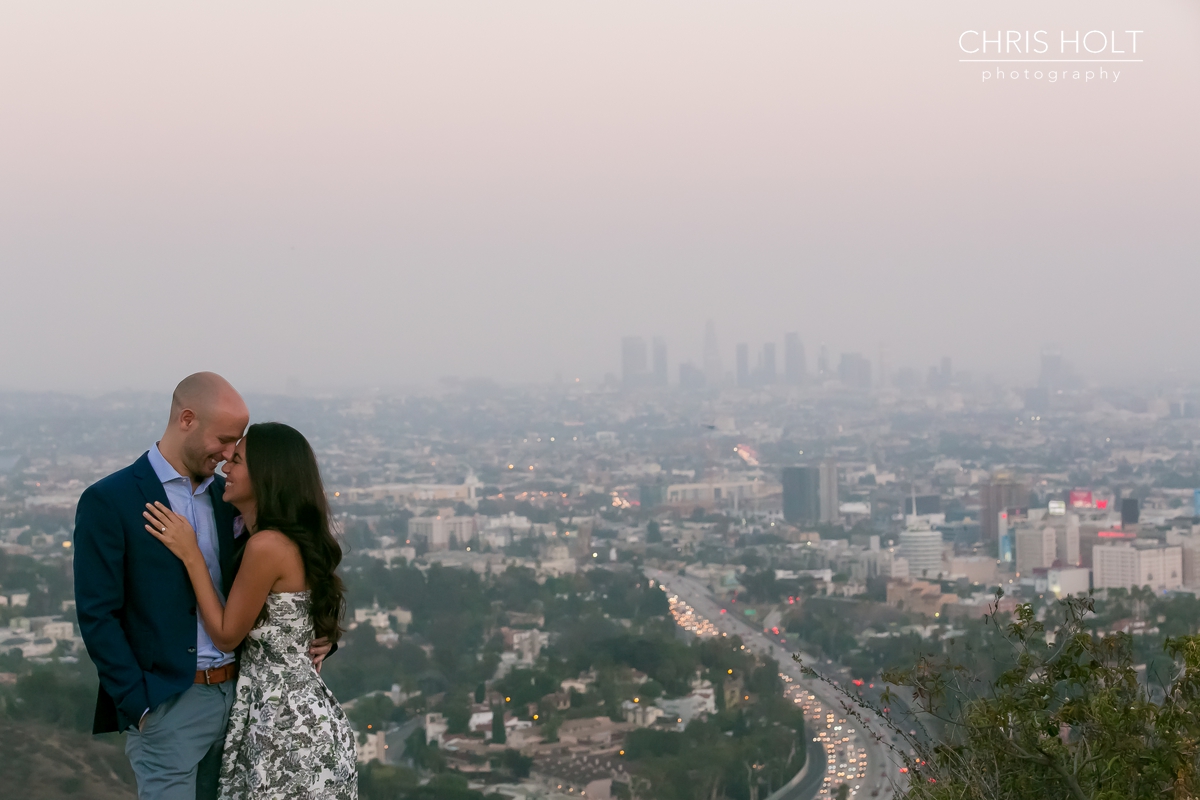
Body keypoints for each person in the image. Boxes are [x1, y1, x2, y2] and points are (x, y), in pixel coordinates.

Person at [73, 373, 333, 800]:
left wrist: (318, 634)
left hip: (247, 700)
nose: (230, 455)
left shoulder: (231, 495)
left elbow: (293, 562)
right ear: (187, 420)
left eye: (238, 446)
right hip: (171, 704)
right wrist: (141, 705)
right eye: (225, 440)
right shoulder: (111, 500)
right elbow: (98, 614)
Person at [144, 421, 356, 799]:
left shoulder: (268, 546)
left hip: (287, 727)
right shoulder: (276, 539)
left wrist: (191, 553)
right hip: (295, 717)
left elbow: (227, 634)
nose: (226, 466)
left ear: (266, 475)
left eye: (238, 460)